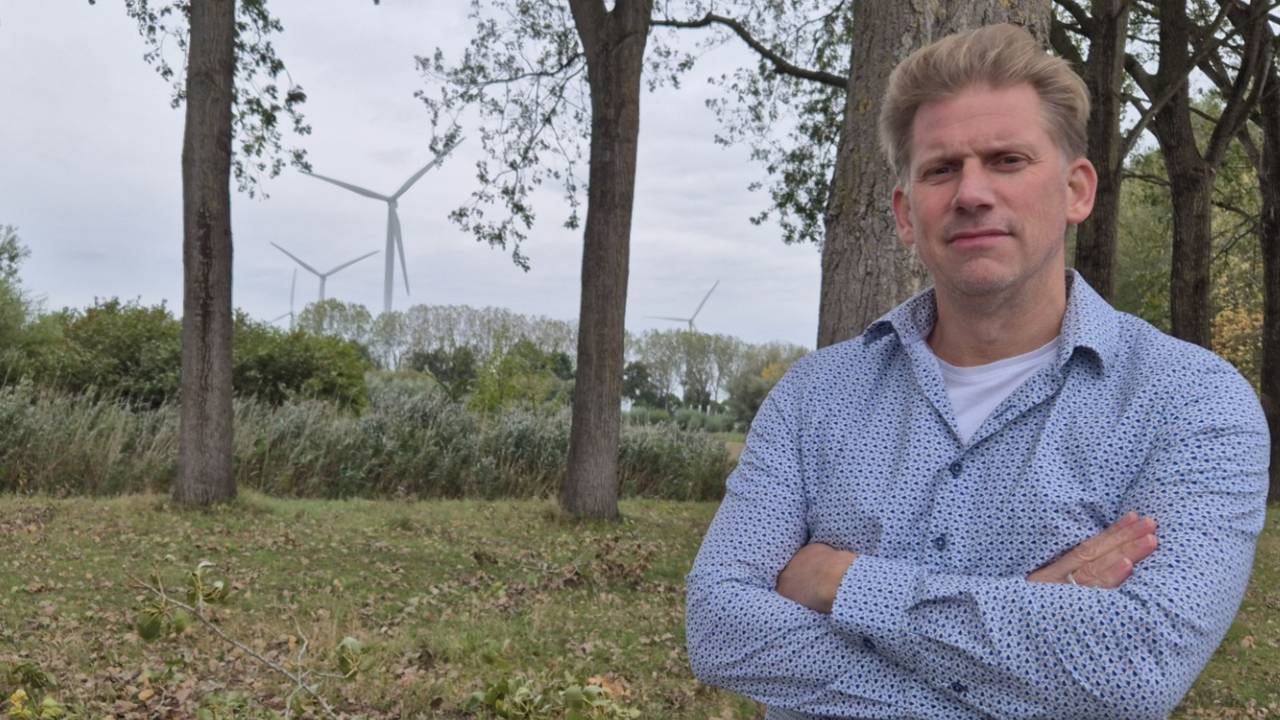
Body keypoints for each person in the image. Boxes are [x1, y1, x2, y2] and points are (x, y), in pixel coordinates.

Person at [685, 23, 1270, 720]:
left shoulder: (1190, 403)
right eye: (940, 169)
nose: (971, 193)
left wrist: (837, 581)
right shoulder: (815, 397)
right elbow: (720, 628)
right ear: (906, 213)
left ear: (1077, 189)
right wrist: (1029, 616)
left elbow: (1137, 664)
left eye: (1007, 160)